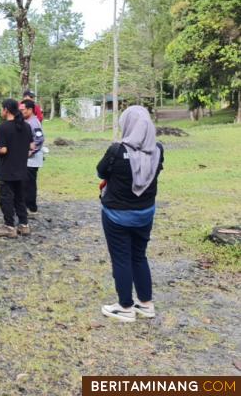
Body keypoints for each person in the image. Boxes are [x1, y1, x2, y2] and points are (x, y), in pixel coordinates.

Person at [97, 106, 163, 322]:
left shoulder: (116, 150)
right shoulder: (158, 150)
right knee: (139, 255)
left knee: (121, 259)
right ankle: (145, 304)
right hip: (145, 213)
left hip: (117, 215)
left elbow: (100, 171)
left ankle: (125, 306)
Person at [0, 99, 34, 238]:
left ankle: (9, 227)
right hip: (22, 169)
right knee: (20, 198)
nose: (1, 111)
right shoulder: (26, 126)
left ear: (6, 109)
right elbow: (31, 146)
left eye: (1, 108)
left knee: (6, 198)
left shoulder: (3, 127)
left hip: (7, 169)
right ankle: (24, 225)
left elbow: (3, 150)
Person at [21, 100, 45, 214]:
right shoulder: (27, 121)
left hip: (32, 159)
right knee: (25, 182)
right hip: (27, 159)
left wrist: (32, 151)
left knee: (29, 183)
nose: (21, 112)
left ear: (30, 110)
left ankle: (31, 206)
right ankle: (26, 204)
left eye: (23, 110)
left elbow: (39, 138)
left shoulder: (34, 122)